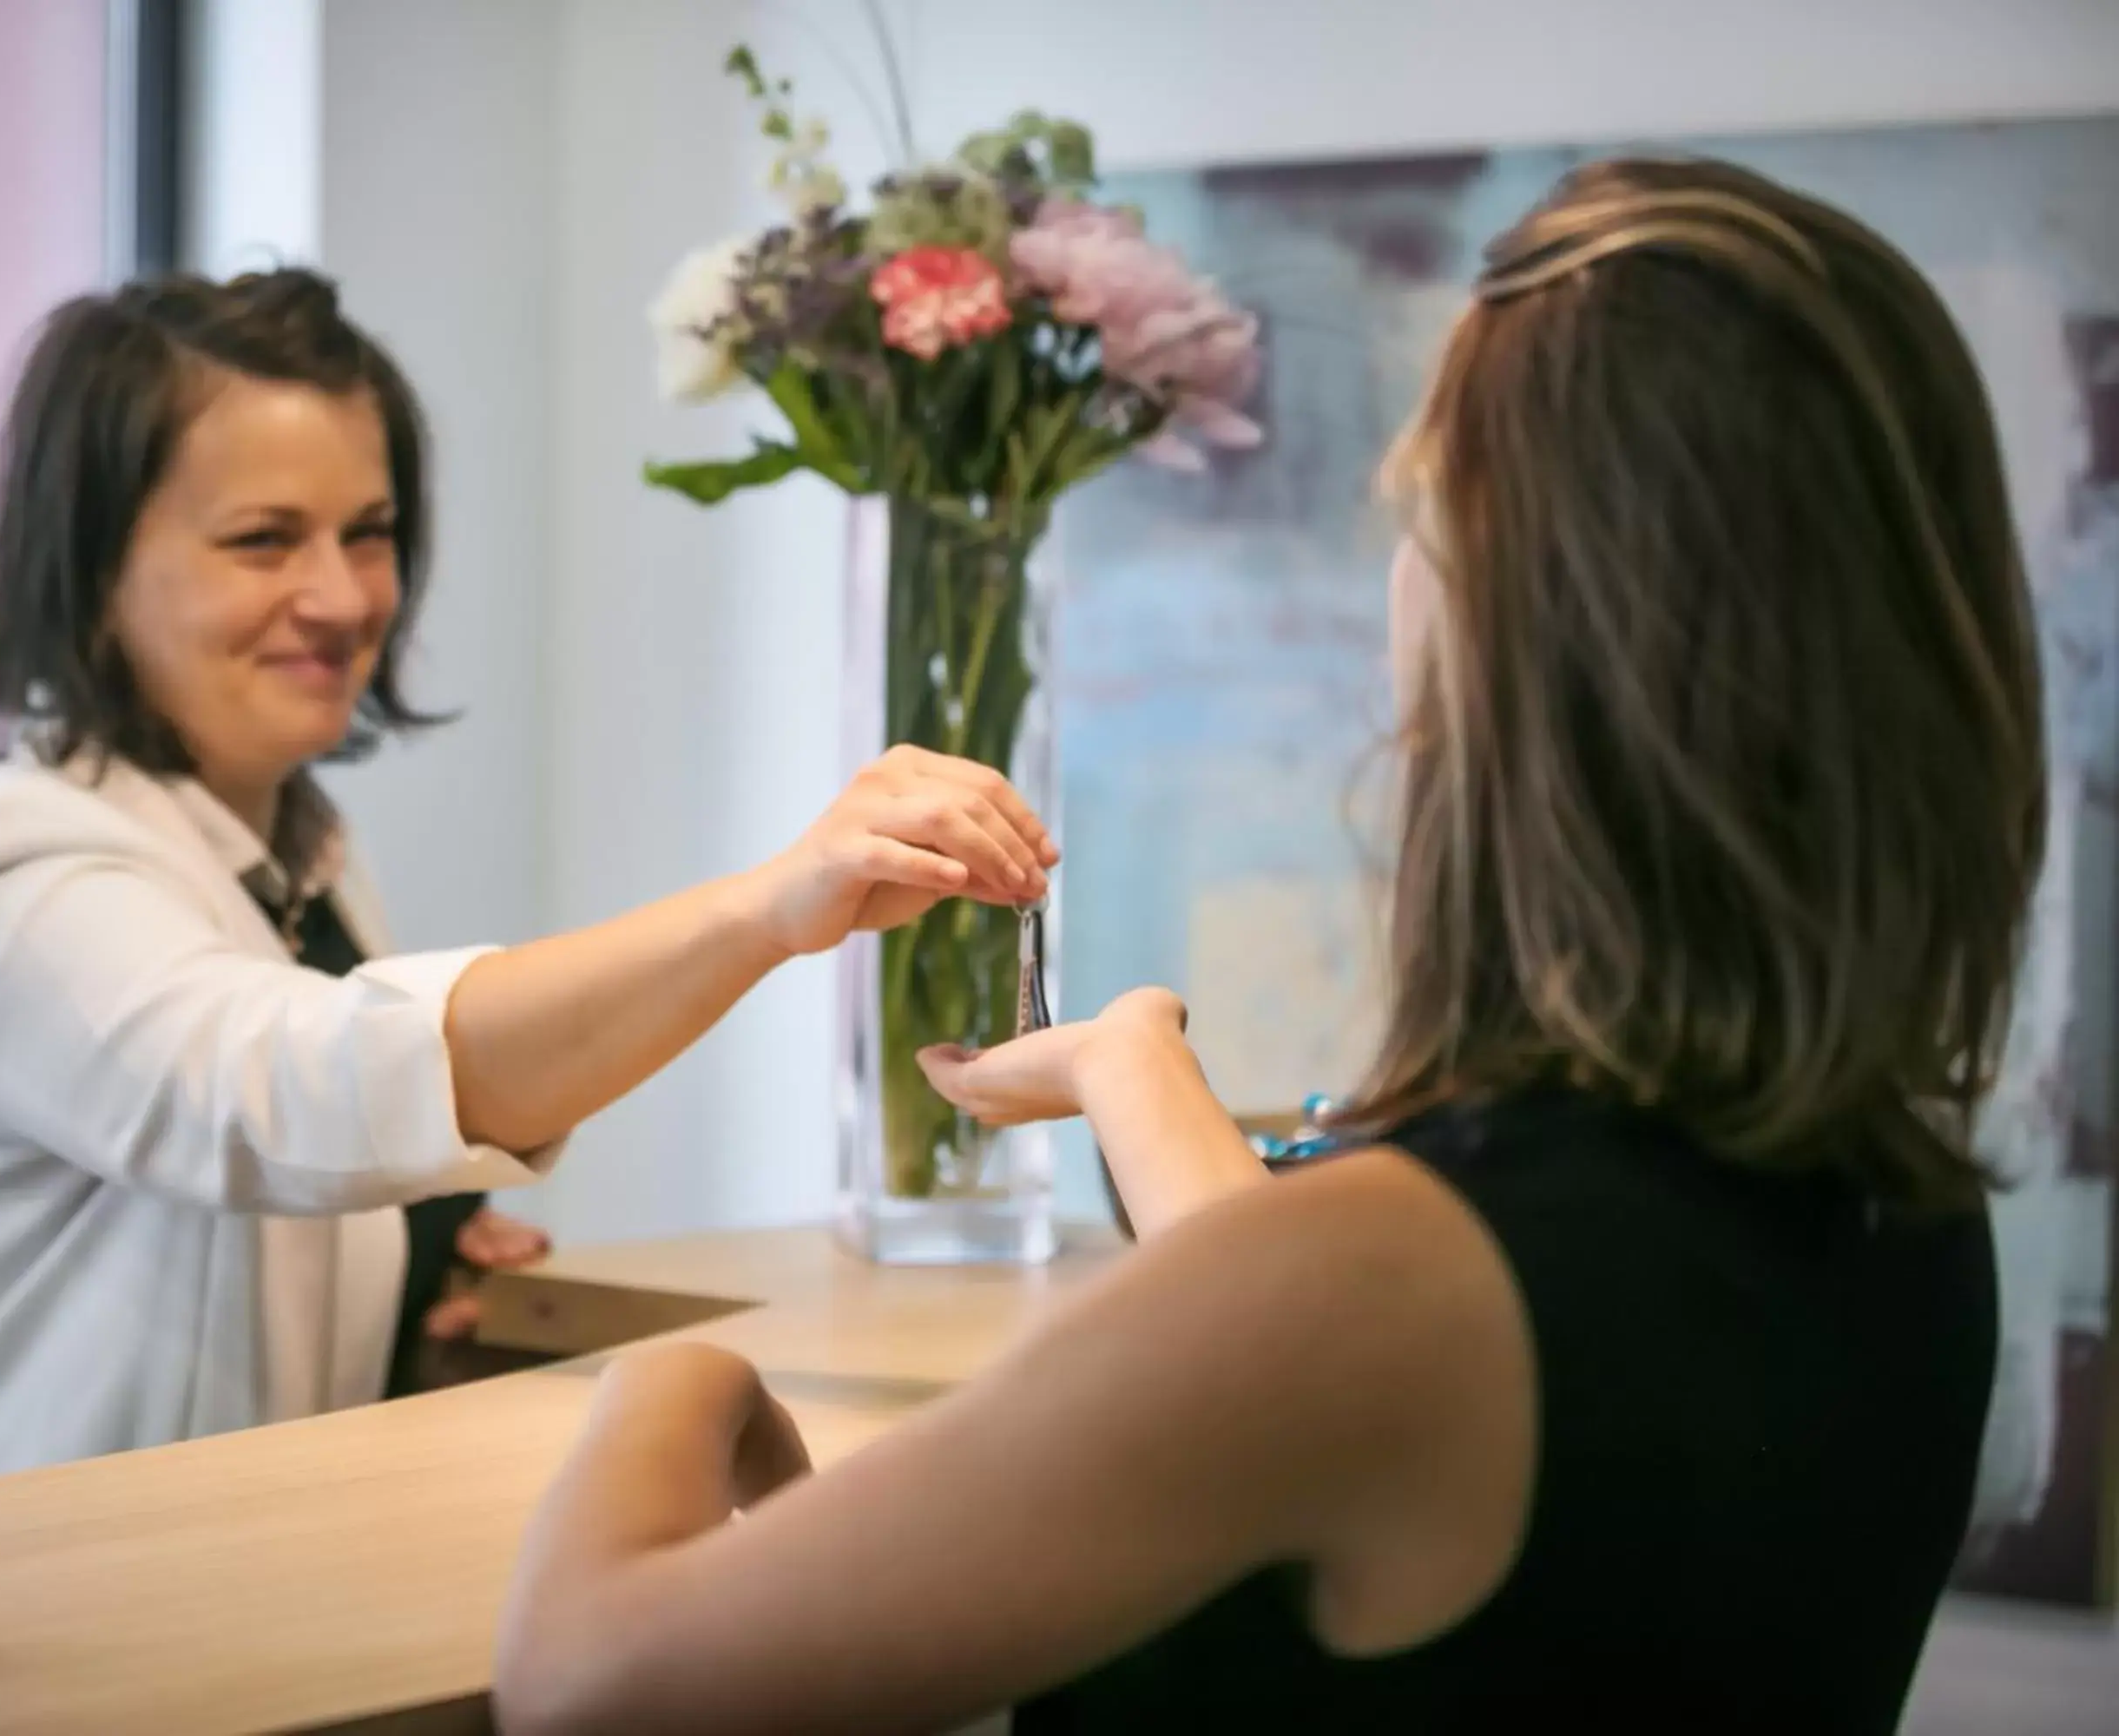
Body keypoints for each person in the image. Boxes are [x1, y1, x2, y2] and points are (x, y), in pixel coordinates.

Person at [492, 156, 2042, 1733]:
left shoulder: (1387, 1289)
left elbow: (589, 1680)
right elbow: (1325, 1323)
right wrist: (1124, 1062)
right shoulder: (1895, 1205)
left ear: (1524, 631)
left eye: (1420, 514)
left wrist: (674, 1383)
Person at [0, 270, 1055, 1495]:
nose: (343, 597)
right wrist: (768, 909)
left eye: (368, 533)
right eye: (264, 540)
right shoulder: (15, 878)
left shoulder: (301, 856)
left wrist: (411, 1303)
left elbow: (318, 1162)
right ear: (93, 567)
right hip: (12, 1616)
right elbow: (290, 1093)